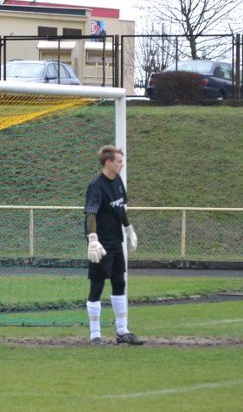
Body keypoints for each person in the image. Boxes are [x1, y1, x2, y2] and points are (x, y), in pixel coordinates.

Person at [84, 145, 143, 345]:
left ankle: (122, 331)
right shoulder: (96, 185)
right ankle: (95, 335)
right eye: (119, 161)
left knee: (119, 283)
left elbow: (120, 208)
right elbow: (90, 213)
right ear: (108, 163)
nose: (122, 165)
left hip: (116, 243)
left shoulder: (117, 181)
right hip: (101, 245)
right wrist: (93, 239)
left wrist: (129, 229)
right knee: (97, 286)